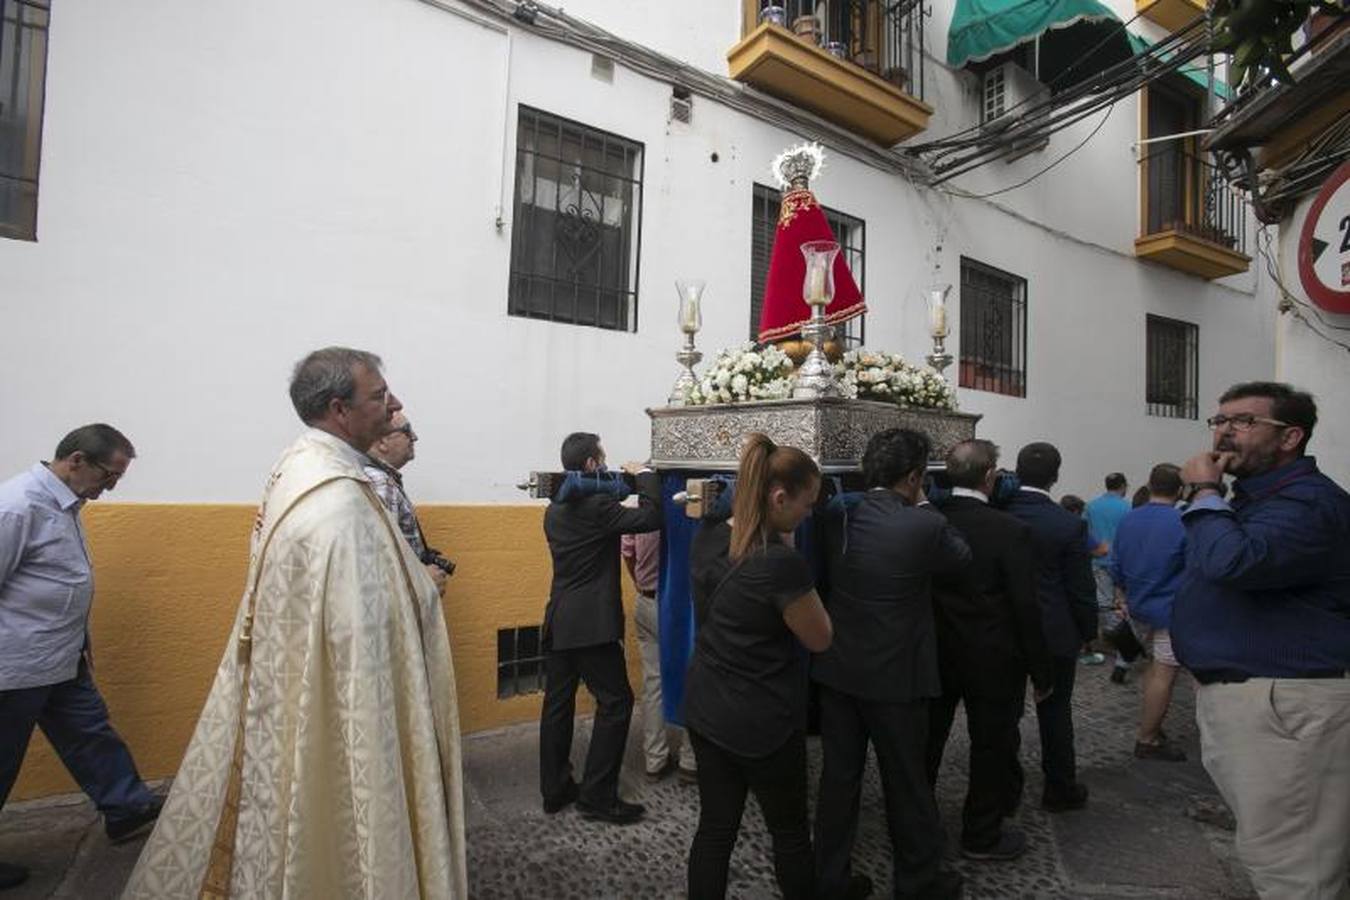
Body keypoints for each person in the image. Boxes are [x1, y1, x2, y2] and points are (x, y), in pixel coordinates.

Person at [123, 347, 467, 898]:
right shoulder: (339, 505)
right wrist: (425, 587)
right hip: (338, 705)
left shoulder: (299, 468)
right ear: (339, 408)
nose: (394, 405)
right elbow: (364, 628)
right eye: (379, 395)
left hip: (289, 684)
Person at [1173, 382, 1350, 899]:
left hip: (1287, 702)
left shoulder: (1309, 503)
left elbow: (1234, 562)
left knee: (1295, 870)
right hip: (1261, 700)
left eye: (1245, 421)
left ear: (1291, 436)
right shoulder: (1256, 499)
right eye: (1220, 419)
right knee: (1278, 851)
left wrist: (1206, 492)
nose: (1225, 430)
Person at [0, 425, 163, 891]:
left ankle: (126, 808)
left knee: (90, 732)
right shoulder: (16, 506)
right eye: (108, 477)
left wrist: (79, 634)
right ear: (76, 460)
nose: (108, 489)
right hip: (17, 663)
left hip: (60, 654)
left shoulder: (64, 503)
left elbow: (56, 579)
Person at [812, 428, 970, 899]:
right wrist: (924, 503)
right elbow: (961, 558)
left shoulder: (837, 517)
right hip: (898, 675)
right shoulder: (924, 523)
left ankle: (830, 877)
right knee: (907, 782)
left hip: (840, 668)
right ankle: (918, 881)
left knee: (838, 779)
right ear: (915, 476)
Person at [683, 433, 831, 900]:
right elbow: (820, 637)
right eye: (806, 504)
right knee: (788, 833)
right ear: (779, 496)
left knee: (715, 829)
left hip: (707, 708)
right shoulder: (779, 563)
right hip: (762, 719)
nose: (808, 514)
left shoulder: (708, 536)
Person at [928, 439, 1052, 863]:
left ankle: (916, 823)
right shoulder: (1010, 530)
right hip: (993, 656)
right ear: (990, 476)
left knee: (928, 739)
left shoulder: (928, 519)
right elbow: (1025, 604)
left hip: (937, 651)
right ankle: (980, 832)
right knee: (991, 745)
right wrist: (1042, 670)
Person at [539, 432, 660, 825]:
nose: (606, 464)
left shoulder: (554, 509)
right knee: (616, 703)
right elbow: (651, 516)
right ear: (592, 464)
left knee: (558, 706)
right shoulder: (598, 506)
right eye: (603, 459)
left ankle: (555, 789)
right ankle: (597, 796)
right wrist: (644, 476)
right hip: (591, 625)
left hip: (559, 619)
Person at [1005, 442, 1096, 812]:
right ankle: (1059, 786)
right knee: (1056, 711)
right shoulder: (1068, 524)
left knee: (1005, 711)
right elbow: (1080, 587)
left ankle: (1006, 789)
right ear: (1056, 476)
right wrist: (1088, 631)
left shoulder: (1000, 513)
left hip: (1007, 627)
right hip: (1054, 630)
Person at [1110, 463, 1187, 762]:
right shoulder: (1184, 521)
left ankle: (1151, 723)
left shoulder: (1130, 518)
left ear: (1150, 485)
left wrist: (1122, 594)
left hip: (1137, 604)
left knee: (1153, 669)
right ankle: (1148, 737)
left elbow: (1117, 563)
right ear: (1180, 489)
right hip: (1169, 607)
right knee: (1164, 673)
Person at [621, 528, 696, 782]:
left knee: (652, 683)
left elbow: (628, 553)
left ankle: (654, 760)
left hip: (647, 599)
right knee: (692, 676)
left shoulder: (639, 508)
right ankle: (690, 761)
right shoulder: (691, 509)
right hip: (682, 604)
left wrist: (642, 585)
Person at [365, 410, 455, 594]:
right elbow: (380, 560)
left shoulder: (377, 479)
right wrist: (422, 580)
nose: (414, 437)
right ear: (382, 441)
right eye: (406, 430)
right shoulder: (382, 484)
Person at [1085, 474, 1130, 672]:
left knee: (1103, 602)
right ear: (1122, 486)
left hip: (1098, 559)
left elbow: (1083, 532)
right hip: (1121, 561)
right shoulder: (1128, 507)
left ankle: (1105, 638)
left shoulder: (1091, 506)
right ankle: (1122, 643)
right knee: (1121, 603)